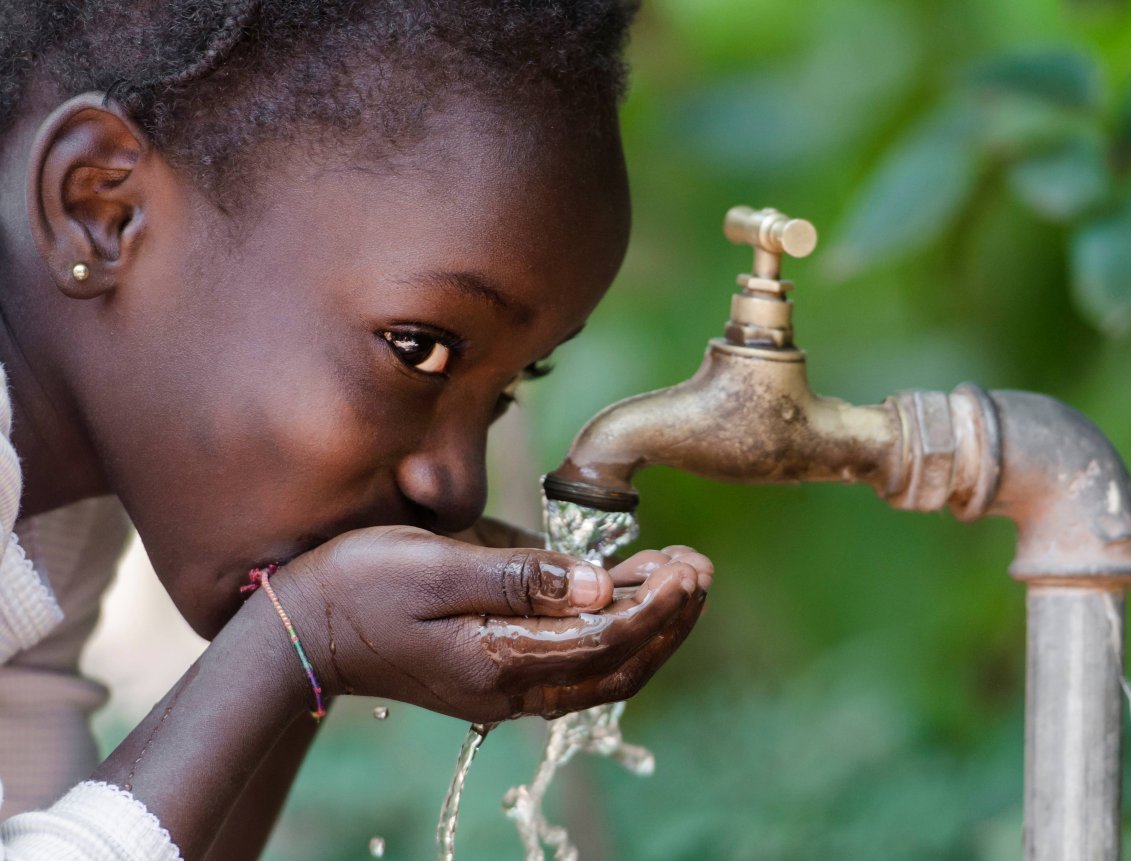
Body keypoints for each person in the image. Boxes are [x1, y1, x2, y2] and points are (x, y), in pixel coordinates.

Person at [0, 1, 714, 858]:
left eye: (508, 389)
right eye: (419, 349)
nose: (455, 488)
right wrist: (298, 638)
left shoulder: (54, 508)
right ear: (101, 208)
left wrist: (316, 638)